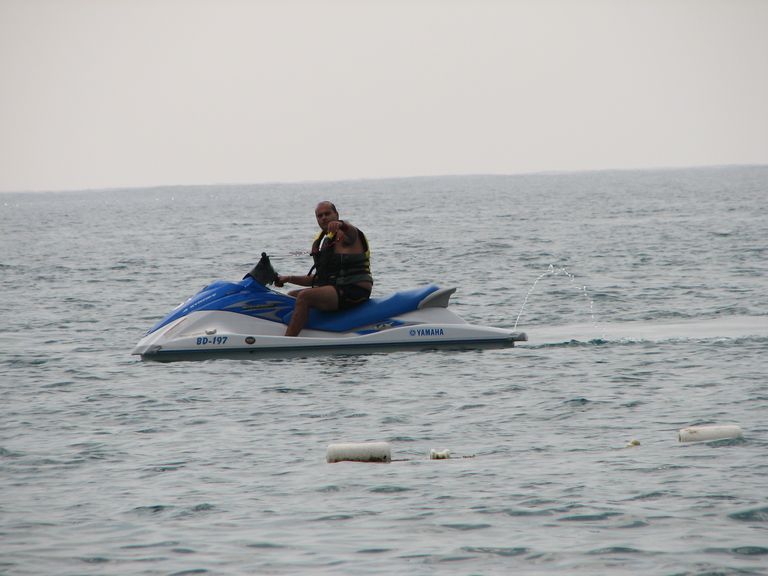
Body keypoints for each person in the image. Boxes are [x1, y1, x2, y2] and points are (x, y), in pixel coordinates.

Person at [275, 201, 373, 336]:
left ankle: (288, 340)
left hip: (354, 290)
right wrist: (289, 278)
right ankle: (305, 332)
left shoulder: (347, 235)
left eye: (327, 214)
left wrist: (341, 225)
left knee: (304, 296)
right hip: (336, 290)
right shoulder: (324, 241)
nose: (324, 218)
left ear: (336, 214)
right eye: (319, 216)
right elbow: (320, 278)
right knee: (291, 296)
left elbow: (351, 232)